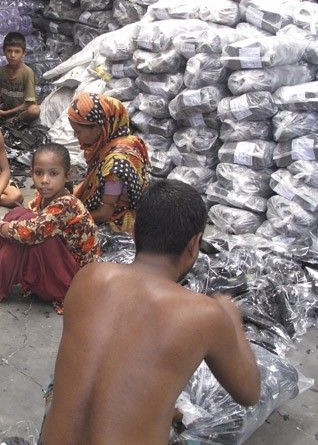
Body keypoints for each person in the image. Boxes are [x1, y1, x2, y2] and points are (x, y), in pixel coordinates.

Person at [40, 180, 261, 444]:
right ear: (194, 244)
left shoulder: (89, 277)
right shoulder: (206, 314)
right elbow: (249, 393)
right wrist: (232, 318)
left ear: (133, 230)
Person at [0, 143, 99, 302]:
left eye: (53, 173)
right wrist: (4, 226)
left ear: (67, 175)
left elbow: (29, 233)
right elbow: (21, 224)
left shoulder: (66, 204)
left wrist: (0, 227)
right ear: (31, 173)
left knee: (24, 231)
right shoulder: (43, 198)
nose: (45, 180)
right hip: (58, 269)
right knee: (19, 215)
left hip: (72, 283)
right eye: (39, 173)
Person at [67, 92, 149, 234]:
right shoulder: (119, 142)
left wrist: (69, 222)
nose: (76, 136)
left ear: (99, 127)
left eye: (78, 131)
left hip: (117, 221)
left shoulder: (116, 165)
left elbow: (105, 213)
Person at [0, 32, 40, 124]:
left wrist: (6, 113)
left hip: (21, 113)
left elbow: (28, 104)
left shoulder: (27, 72)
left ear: (24, 53)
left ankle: (13, 121)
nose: (12, 55)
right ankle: (7, 120)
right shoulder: (1, 71)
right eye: (9, 51)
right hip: (7, 109)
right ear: (4, 51)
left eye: (17, 51)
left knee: (34, 110)